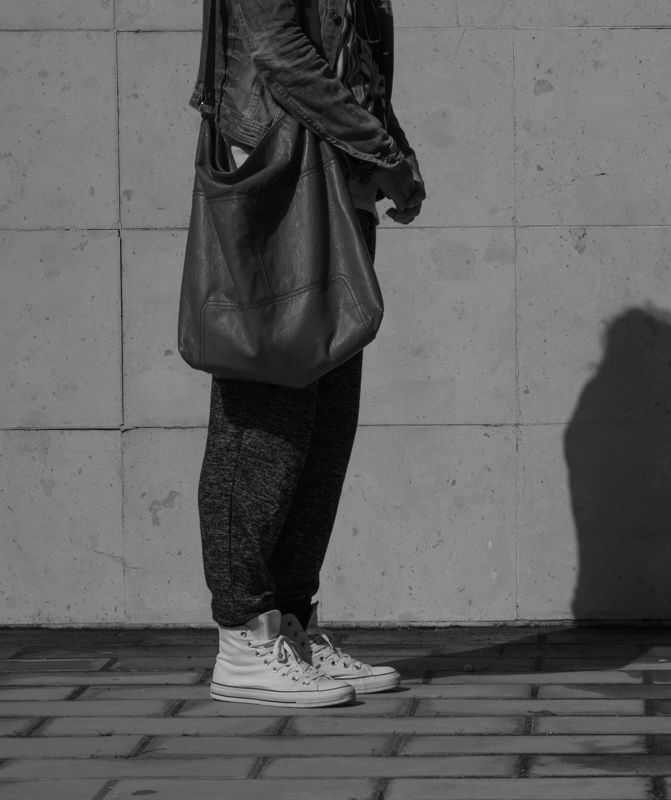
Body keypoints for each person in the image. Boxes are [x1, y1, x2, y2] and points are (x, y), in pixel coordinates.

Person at [189, 0, 425, 707]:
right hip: (283, 169)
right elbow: (278, 51)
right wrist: (382, 151)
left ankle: (289, 624)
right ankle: (245, 636)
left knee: (323, 422)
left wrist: (390, 151)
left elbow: (357, 63)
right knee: (266, 416)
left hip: (335, 172)